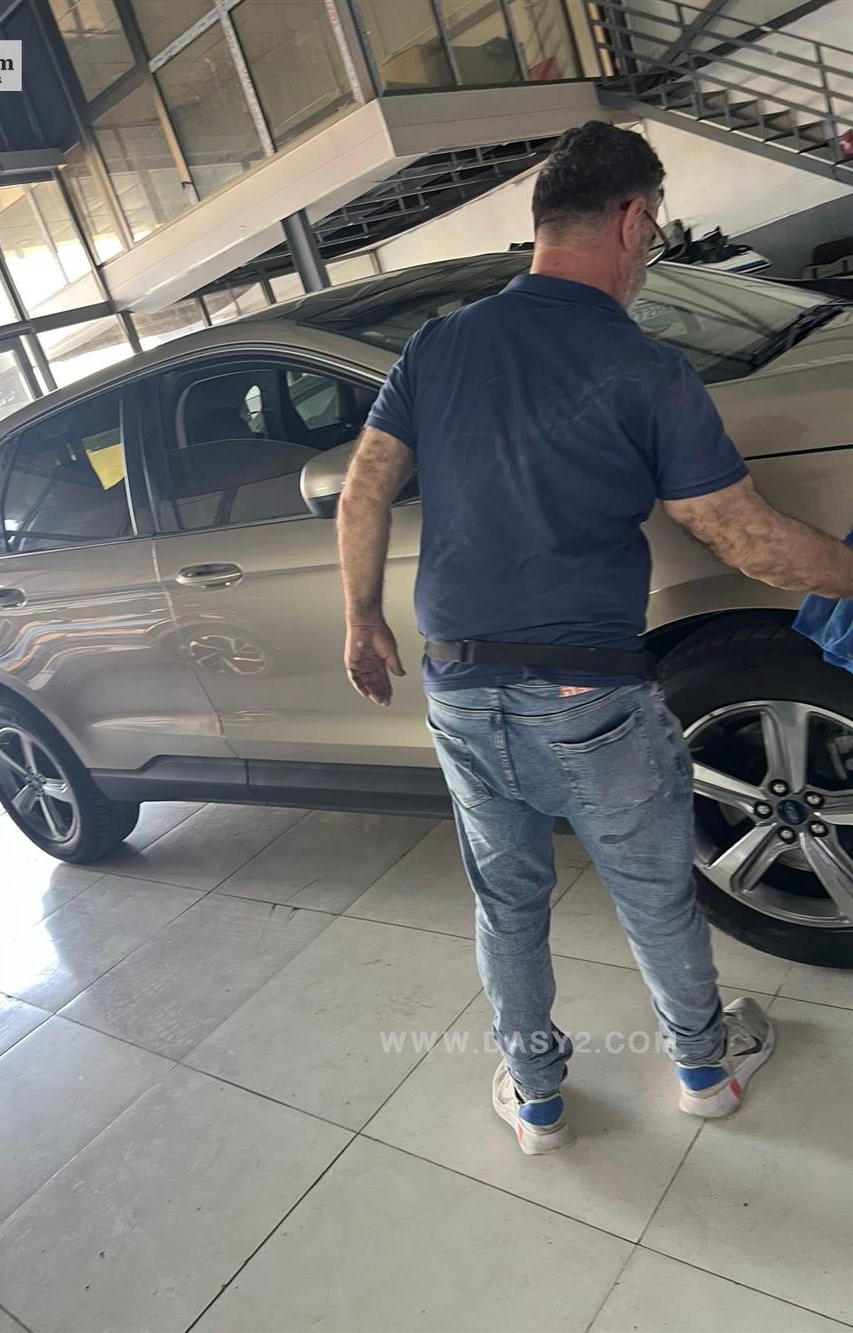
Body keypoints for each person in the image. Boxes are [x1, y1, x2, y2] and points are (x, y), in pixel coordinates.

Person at [336, 121, 853, 1155]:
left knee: (507, 902)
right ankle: (703, 1071)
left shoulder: (437, 346)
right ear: (632, 220)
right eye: (653, 233)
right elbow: (741, 538)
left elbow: (364, 487)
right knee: (654, 892)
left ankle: (535, 1100)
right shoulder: (642, 367)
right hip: (589, 698)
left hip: (458, 688)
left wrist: (361, 618)